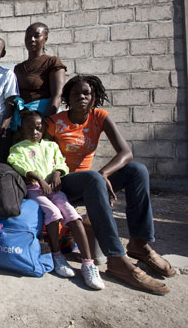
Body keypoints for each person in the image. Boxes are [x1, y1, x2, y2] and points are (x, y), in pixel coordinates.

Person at [46, 75, 175, 295]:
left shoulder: (99, 117)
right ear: (67, 97)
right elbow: (43, 155)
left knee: (137, 171)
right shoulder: (56, 122)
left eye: (86, 93)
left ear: (94, 96)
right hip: (65, 183)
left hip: (92, 181)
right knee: (94, 178)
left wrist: (104, 173)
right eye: (76, 94)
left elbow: (126, 152)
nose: (81, 97)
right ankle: (116, 260)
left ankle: (139, 245)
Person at [7, 110, 105, 290]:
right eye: (30, 129)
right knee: (52, 212)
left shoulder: (51, 146)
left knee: (72, 214)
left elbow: (61, 162)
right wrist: (39, 179)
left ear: (43, 128)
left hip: (53, 188)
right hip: (34, 189)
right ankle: (56, 254)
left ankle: (88, 263)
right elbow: (17, 164)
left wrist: (57, 174)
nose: (34, 132)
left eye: (38, 128)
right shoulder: (18, 148)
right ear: (23, 129)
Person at [12, 22, 66, 131]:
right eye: (28, 36)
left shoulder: (52, 62)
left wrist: (45, 122)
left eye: (37, 36)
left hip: (43, 120)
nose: (31, 39)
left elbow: (57, 95)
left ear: (45, 39)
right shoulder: (18, 68)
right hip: (23, 120)